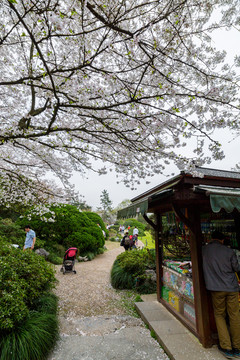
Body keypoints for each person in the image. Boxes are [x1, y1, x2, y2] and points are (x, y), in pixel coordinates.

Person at [202, 230, 240, 359]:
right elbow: (236, 268)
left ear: (211, 238)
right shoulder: (229, 251)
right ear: (222, 240)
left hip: (216, 288)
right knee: (235, 315)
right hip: (232, 287)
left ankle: (226, 347)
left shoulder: (204, 250)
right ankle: (237, 347)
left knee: (219, 315)